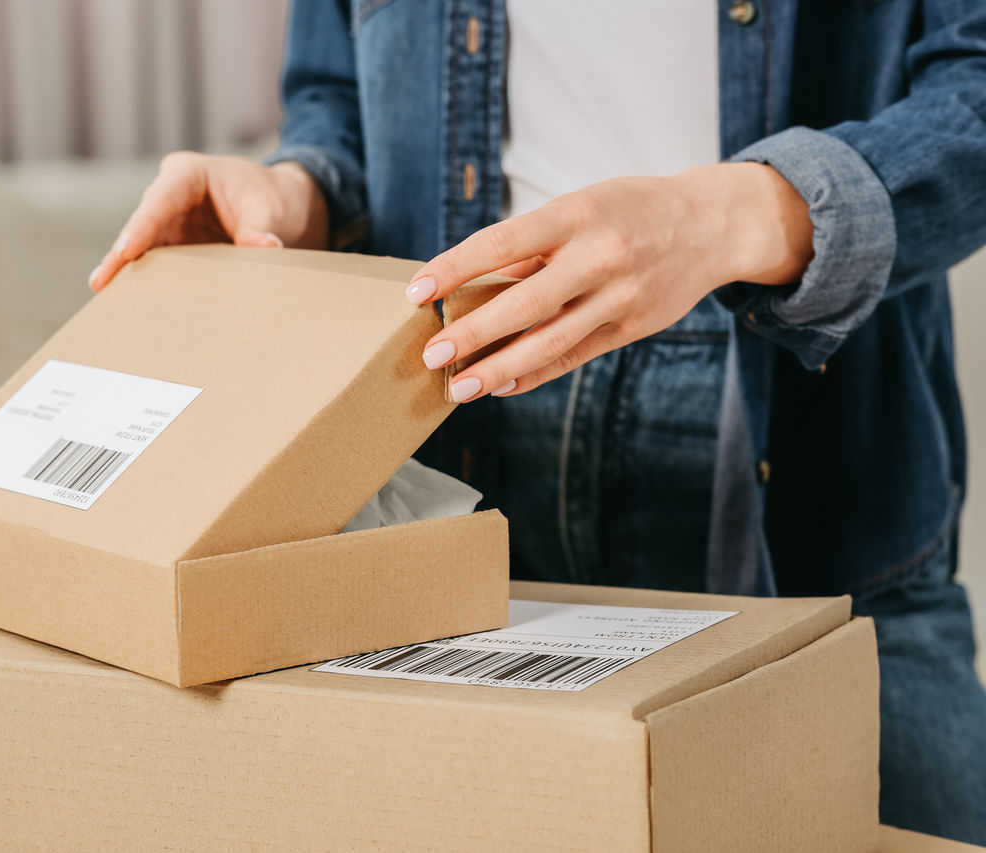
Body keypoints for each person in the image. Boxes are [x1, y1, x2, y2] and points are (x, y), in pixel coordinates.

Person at [89, 1, 986, 842]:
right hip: (452, 433)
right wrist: (297, 192)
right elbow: (337, 104)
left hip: (822, 476)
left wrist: (728, 215)